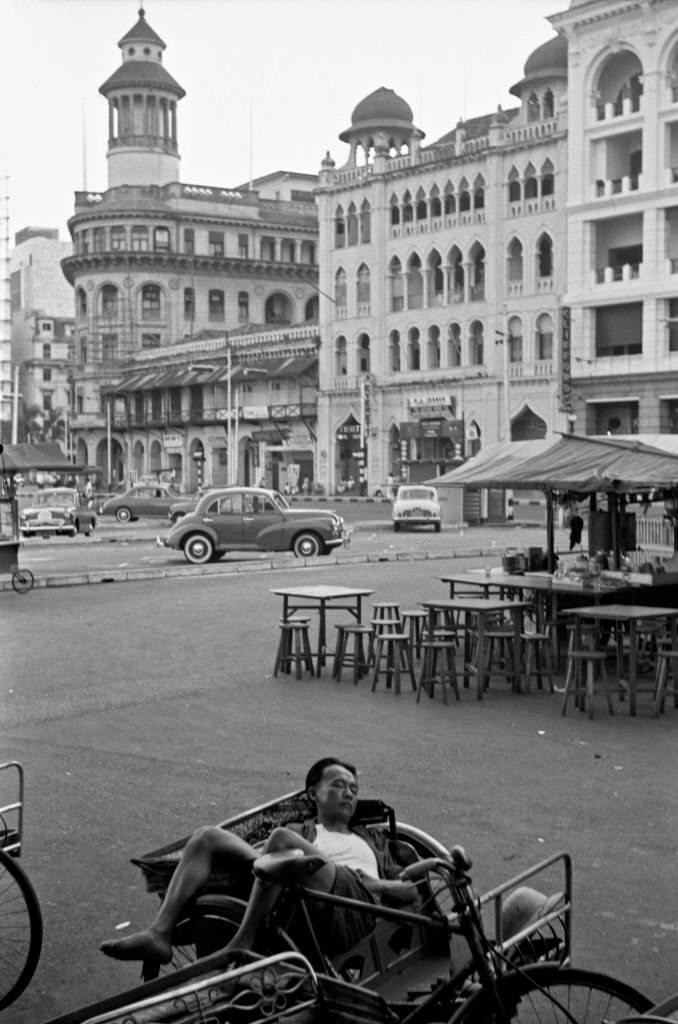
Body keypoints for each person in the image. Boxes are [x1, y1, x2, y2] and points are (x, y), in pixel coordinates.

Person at [100, 758, 417, 965]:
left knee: (282, 842)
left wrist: (370, 883)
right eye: (338, 785)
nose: (349, 794)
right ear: (312, 795)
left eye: (353, 789)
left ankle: (243, 942)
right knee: (207, 836)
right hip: (297, 900)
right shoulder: (300, 831)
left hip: (352, 906)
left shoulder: (372, 841)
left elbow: (409, 891)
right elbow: (262, 854)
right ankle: (159, 933)